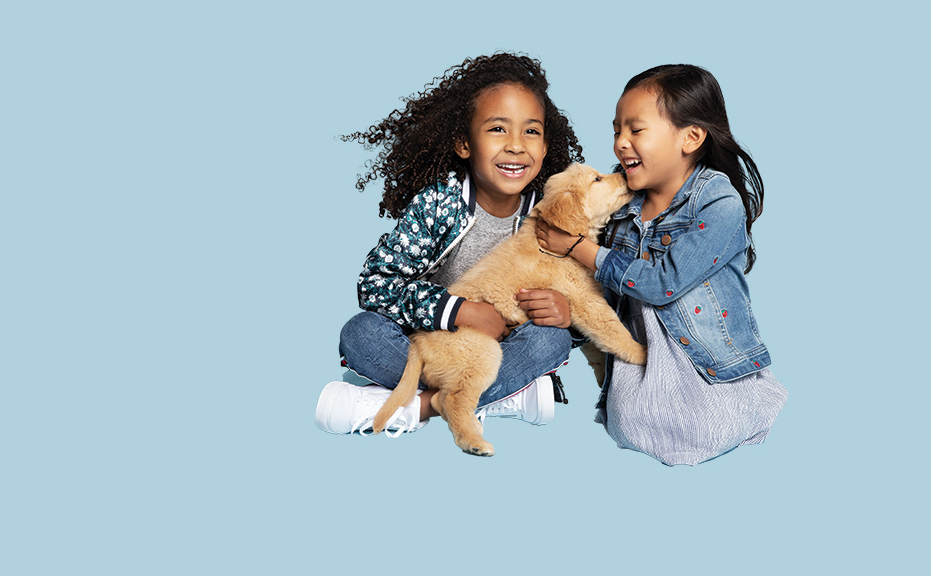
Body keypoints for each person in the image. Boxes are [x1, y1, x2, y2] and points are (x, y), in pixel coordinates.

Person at [314, 52, 587, 437]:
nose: (515, 146)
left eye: (531, 131)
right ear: (464, 143)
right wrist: (460, 311)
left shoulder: (550, 217)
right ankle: (502, 396)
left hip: (497, 352)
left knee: (553, 340)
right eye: (497, 129)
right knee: (361, 333)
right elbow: (375, 284)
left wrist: (566, 313)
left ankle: (421, 405)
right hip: (431, 347)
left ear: (545, 147)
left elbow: (583, 298)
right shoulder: (439, 203)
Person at [535, 64, 787, 465]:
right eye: (616, 130)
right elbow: (607, 293)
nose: (620, 143)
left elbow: (660, 284)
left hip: (705, 367)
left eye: (636, 130)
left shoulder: (718, 203)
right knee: (629, 421)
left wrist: (578, 249)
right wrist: (572, 315)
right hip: (639, 364)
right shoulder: (621, 201)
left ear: (690, 137)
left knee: (709, 423)